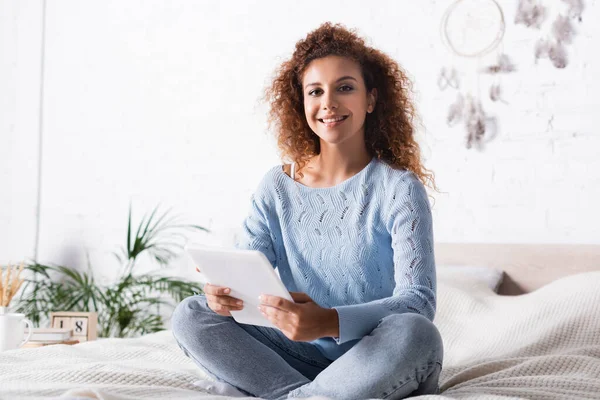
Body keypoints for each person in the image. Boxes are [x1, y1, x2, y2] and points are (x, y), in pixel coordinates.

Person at [171, 22, 443, 400]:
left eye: (345, 87)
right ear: (301, 102)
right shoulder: (276, 187)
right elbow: (249, 277)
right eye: (315, 91)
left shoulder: (398, 188)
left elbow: (418, 300)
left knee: (416, 332)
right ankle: (305, 395)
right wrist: (225, 296)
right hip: (294, 357)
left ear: (371, 99)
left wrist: (329, 321)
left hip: (377, 355)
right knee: (193, 313)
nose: (328, 103)